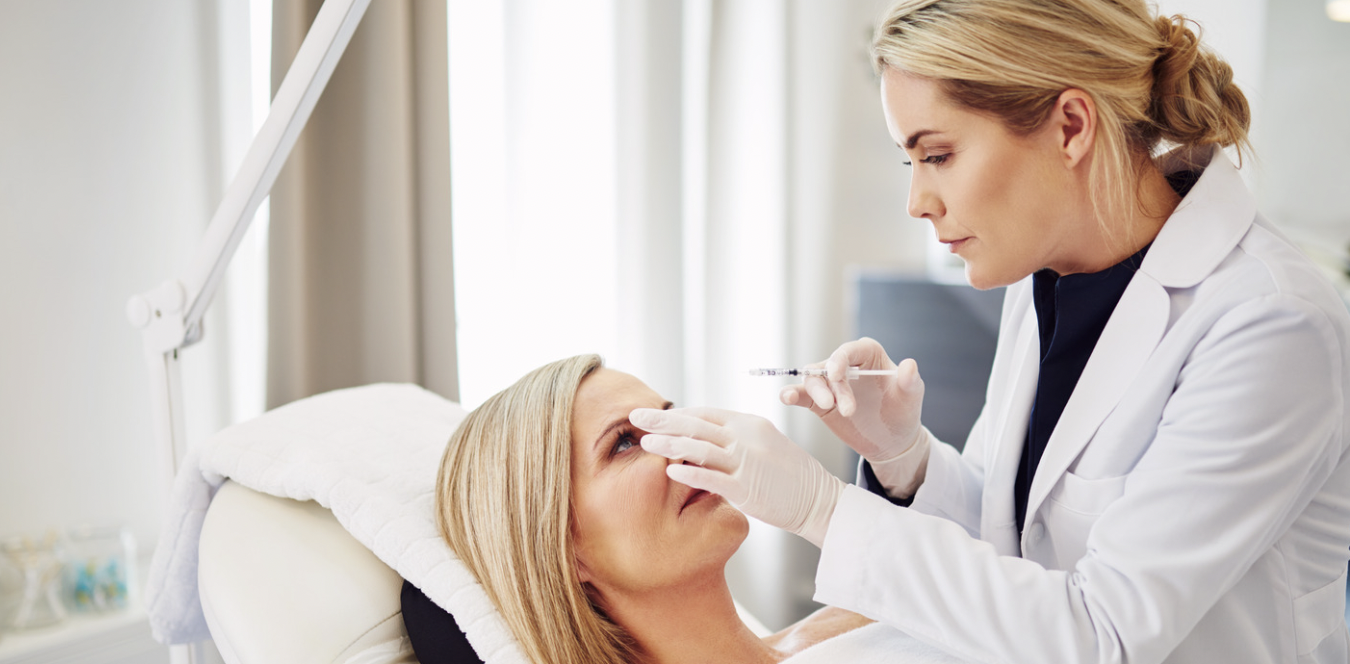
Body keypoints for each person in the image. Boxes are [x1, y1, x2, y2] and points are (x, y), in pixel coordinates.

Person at [633, 1, 1350, 662]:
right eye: (908, 160)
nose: (917, 201)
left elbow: (1104, 632)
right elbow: (1018, 542)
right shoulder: (1046, 277)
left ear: (1071, 126)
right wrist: (905, 458)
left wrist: (822, 507)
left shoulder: (1270, 322)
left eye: (937, 155)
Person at [429, 354, 964, 664]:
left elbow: (1031, 597)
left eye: (669, 418)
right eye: (624, 442)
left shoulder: (865, 613)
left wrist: (902, 457)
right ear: (562, 549)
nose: (684, 442)